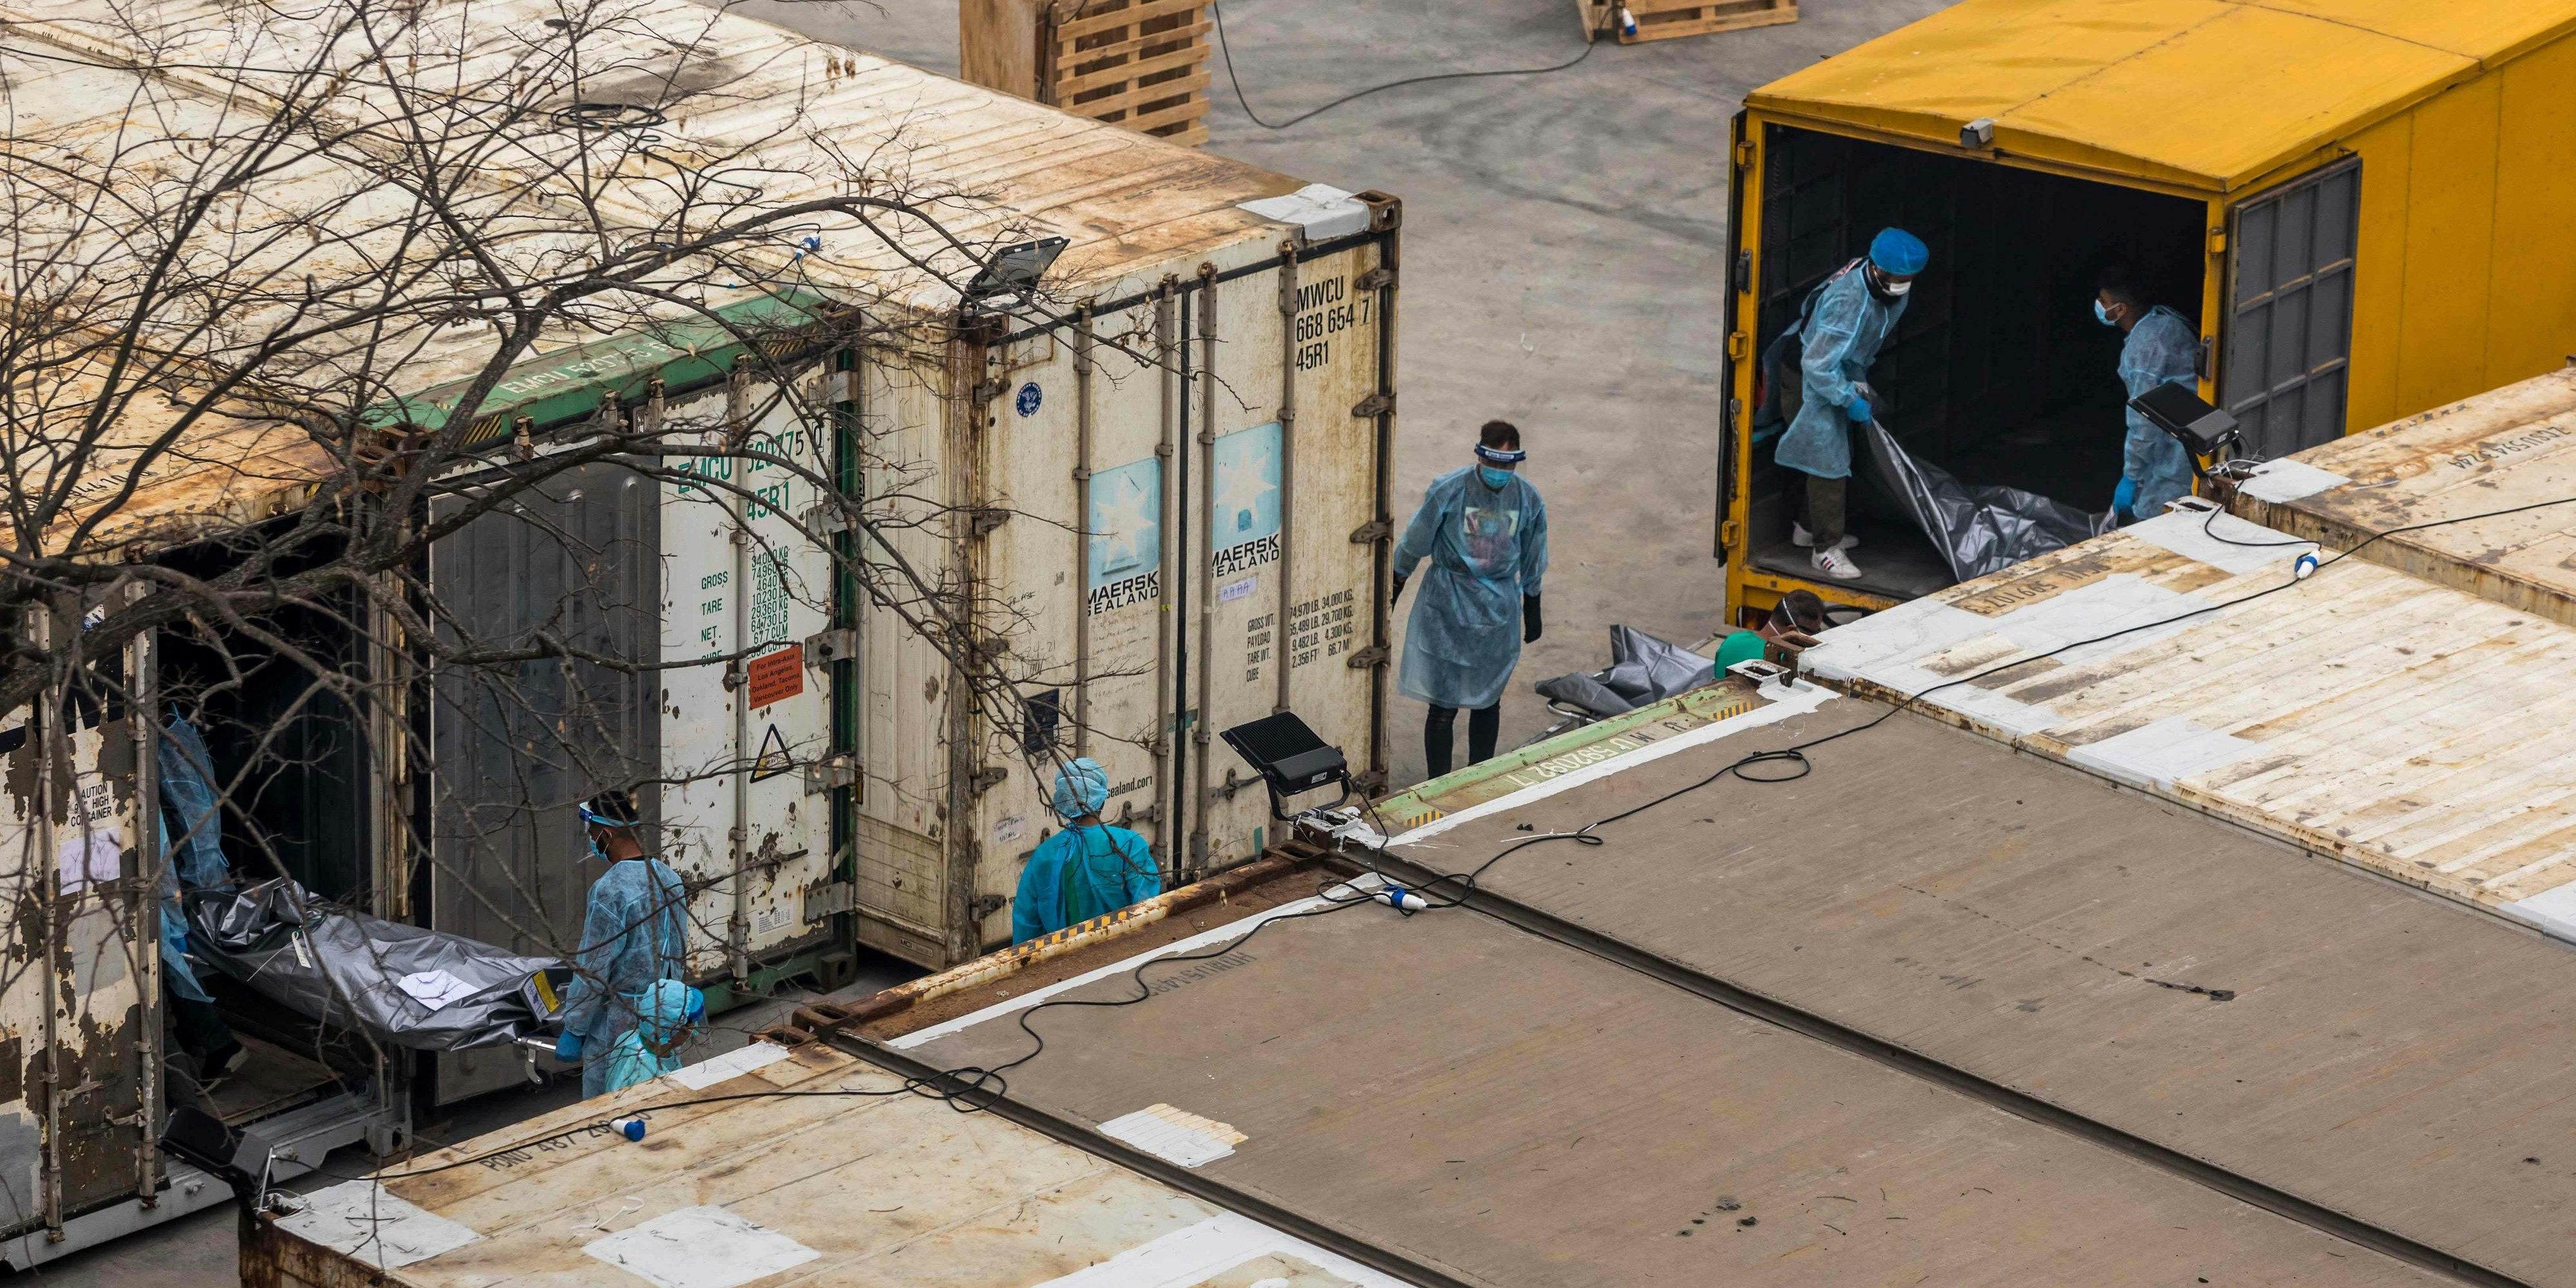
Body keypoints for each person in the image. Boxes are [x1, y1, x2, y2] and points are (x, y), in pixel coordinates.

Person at [1392, 420, 1549, 780]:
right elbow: (1416, 539)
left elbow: (1534, 554)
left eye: (1508, 465)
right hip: (1446, 605)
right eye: (1494, 464)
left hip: (1496, 611)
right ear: (1480, 456)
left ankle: (1479, 777)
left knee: (1487, 699)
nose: (1499, 472)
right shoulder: (1449, 489)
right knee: (1443, 704)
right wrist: (1398, 580)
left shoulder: (1528, 499)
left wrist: (1533, 604)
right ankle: (1439, 782)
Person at [1777, 228, 1929, 582]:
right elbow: (1816, 364)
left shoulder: (1882, 286)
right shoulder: (1849, 299)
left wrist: (1856, 380)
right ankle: (1825, 550)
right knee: (1829, 462)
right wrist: (1846, 397)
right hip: (1811, 376)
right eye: (1899, 278)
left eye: (1910, 279)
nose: (1904, 285)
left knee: (1829, 456)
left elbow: (1862, 341)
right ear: (1878, 269)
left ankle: (1808, 528)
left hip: (1839, 369)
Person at [554, 789, 687, 1099]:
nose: (590, 840)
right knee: (661, 1102)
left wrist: (574, 1028)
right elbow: (678, 956)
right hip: (662, 1021)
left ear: (606, 833)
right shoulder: (669, 878)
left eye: (591, 833)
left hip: (618, 1027)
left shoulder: (610, 890)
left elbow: (594, 968)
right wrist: (671, 1012)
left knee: (607, 1114)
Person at [158, 714, 245, 1083]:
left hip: (167, 886)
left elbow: (193, 823)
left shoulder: (167, 742)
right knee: (173, 967)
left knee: (172, 965)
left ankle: (218, 1044)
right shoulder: (175, 738)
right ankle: (207, 1042)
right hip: (171, 883)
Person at [1012, 758, 1161, 944]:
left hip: (1063, 962)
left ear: (1062, 801)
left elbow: (1026, 927)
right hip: (1123, 955)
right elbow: (1147, 910)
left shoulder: (1043, 856)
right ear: (1101, 799)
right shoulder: (1129, 844)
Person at [2096, 266, 2200, 524]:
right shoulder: (2165, 322)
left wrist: (2131, 476)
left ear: (2120, 309)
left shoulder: (2143, 352)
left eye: (2104, 301)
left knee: (2158, 519)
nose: (2099, 305)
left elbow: (2143, 421)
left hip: (2177, 447)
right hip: (2194, 429)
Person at [598, 978, 705, 1095]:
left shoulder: (630, 1037)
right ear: (678, 1030)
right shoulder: (649, 1077)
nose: (693, 1029)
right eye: (691, 1023)